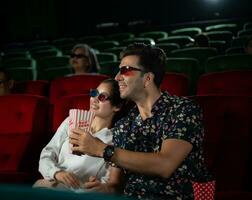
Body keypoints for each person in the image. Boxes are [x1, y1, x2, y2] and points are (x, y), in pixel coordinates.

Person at [69, 43, 212, 199]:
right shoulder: (124, 125)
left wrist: (102, 149)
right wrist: (104, 189)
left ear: (147, 78)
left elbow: (165, 165)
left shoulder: (182, 109)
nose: (117, 77)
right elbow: (116, 185)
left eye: (125, 70)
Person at [33, 78, 126, 191]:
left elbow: (108, 182)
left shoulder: (116, 138)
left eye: (102, 97)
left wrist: (93, 186)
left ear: (117, 106)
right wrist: (56, 172)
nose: (94, 99)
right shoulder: (70, 121)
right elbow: (47, 154)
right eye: (94, 93)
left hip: (81, 191)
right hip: (53, 183)